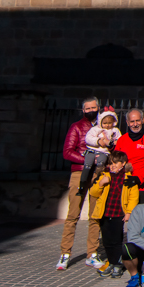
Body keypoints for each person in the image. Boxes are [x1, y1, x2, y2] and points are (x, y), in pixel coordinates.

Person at [57, 96, 102, 270]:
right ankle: (65, 253)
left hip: (97, 174)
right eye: (88, 108)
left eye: (94, 108)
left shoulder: (102, 127)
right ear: (83, 110)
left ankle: (92, 253)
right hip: (79, 173)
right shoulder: (76, 127)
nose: (91, 111)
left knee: (95, 215)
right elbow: (67, 152)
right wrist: (86, 160)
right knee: (72, 215)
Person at [89, 150, 139, 278]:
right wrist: (101, 183)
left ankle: (117, 263)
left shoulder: (128, 178)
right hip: (105, 213)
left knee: (117, 240)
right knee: (107, 240)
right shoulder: (104, 175)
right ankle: (111, 262)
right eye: (111, 163)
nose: (113, 165)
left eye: (116, 163)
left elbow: (133, 197)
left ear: (123, 163)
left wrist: (129, 212)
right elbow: (93, 193)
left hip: (118, 213)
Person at [114, 108, 144, 202]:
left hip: (143, 187)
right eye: (132, 121)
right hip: (124, 185)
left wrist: (140, 178)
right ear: (127, 122)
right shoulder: (122, 140)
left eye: (137, 121)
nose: (135, 124)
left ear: (143, 120)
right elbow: (115, 161)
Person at [80, 108, 121, 194]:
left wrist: (114, 142)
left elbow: (120, 140)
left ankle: (97, 179)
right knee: (87, 164)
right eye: (105, 123)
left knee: (101, 164)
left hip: (104, 152)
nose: (107, 125)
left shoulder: (115, 131)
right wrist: (98, 141)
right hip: (93, 150)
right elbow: (88, 138)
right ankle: (82, 183)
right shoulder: (96, 129)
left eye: (110, 123)